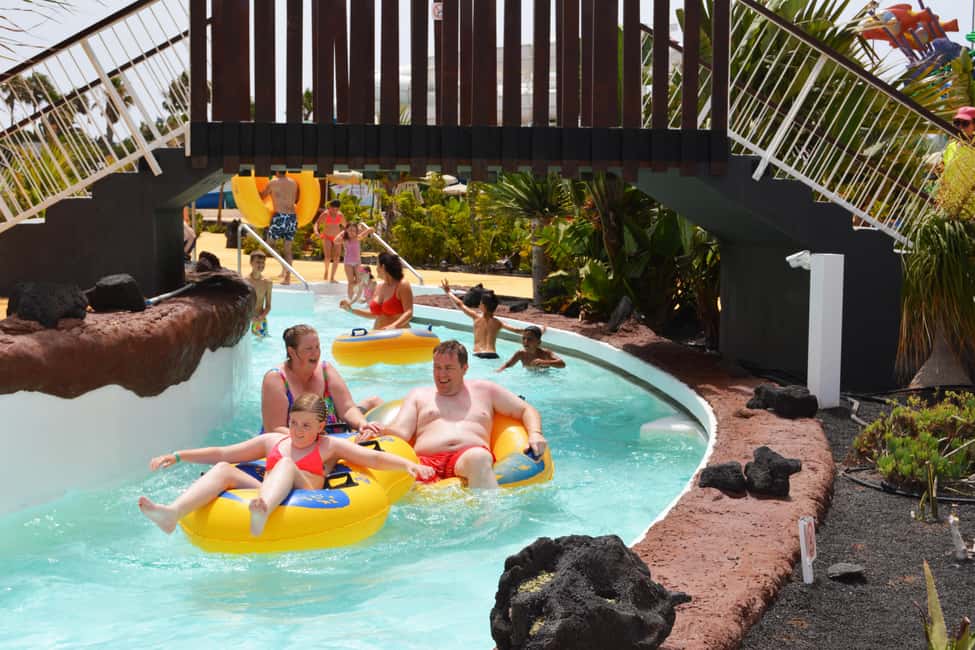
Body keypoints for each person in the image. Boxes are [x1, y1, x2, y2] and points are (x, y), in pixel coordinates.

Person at [138, 393, 434, 537]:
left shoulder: (328, 446)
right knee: (224, 469)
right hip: (267, 488)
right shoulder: (273, 441)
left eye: (306, 425)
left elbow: (372, 458)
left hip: (306, 493)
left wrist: (408, 466)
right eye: (293, 423)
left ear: (321, 427)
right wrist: (178, 455)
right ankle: (172, 513)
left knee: (286, 466)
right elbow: (222, 451)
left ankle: (263, 510)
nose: (298, 431)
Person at [373, 340, 546, 489]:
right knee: (398, 479)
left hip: (468, 458)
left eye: (448, 368)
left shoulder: (486, 390)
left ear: (464, 368)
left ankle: (488, 516)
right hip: (425, 462)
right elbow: (402, 432)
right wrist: (380, 430)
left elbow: (526, 410)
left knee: (479, 457)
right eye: (437, 367)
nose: (441, 374)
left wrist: (535, 434)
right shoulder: (418, 395)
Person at [261, 324, 383, 434]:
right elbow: (274, 428)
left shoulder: (326, 370)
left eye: (317, 347)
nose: (315, 353)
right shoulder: (276, 379)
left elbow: (347, 408)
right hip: (293, 441)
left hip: (331, 439)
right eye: (309, 349)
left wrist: (361, 424)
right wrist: (311, 438)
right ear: (292, 352)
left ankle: (370, 403)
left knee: (375, 402)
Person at [440, 280, 544, 359]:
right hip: (493, 355)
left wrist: (448, 292)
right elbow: (517, 330)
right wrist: (539, 331)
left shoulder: (476, 317)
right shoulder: (498, 323)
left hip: (478, 354)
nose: (479, 304)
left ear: (484, 306)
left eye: (480, 303)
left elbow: (460, 304)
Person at [339, 252, 413, 330]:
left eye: (377, 265)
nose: (376, 269)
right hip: (377, 333)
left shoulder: (402, 285)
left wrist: (393, 326)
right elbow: (374, 315)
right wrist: (351, 310)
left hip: (397, 333)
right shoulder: (379, 287)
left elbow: (409, 312)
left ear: (383, 267)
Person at [260, 171, 300, 285]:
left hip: (280, 217)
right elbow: (296, 198)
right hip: (292, 217)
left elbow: (262, 196)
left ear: (277, 170)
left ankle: (283, 265)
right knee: (288, 249)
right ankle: (287, 277)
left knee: (270, 245)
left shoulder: (273, 182)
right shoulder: (293, 182)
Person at [497, 325, 565, 372]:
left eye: (530, 339)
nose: (525, 342)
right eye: (523, 338)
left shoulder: (545, 353)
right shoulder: (520, 354)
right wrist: (499, 370)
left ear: (538, 342)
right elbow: (508, 364)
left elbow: (562, 364)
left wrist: (545, 362)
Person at [337, 221, 374, 301]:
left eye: (353, 230)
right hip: (348, 263)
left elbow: (367, 232)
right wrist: (342, 233)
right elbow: (335, 241)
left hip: (357, 263)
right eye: (350, 230)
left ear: (356, 231)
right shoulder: (344, 239)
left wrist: (369, 230)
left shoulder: (358, 237)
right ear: (346, 230)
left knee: (358, 281)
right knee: (351, 282)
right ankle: (350, 299)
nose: (352, 232)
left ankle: (357, 298)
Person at [313, 199, 346, 282]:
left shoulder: (340, 215)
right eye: (333, 209)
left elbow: (346, 226)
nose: (334, 211)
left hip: (337, 237)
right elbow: (317, 223)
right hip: (327, 237)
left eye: (336, 209)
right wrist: (316, 231)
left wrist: (345, 236)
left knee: (337, 257)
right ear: (329, 207)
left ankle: (332, 276)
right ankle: (326, 270)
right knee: (328, 257)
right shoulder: (325, 214)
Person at [246, 251, 272, 337]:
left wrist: (261, 317)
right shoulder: (245, 281)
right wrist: (250, 317)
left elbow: (268, 306)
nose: (261, 265)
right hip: (247, 319)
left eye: (262, 262)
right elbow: (241, 304)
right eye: (258, 262)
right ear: (251, 263)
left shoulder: (267, 282)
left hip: (260, 319)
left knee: (262, 342)